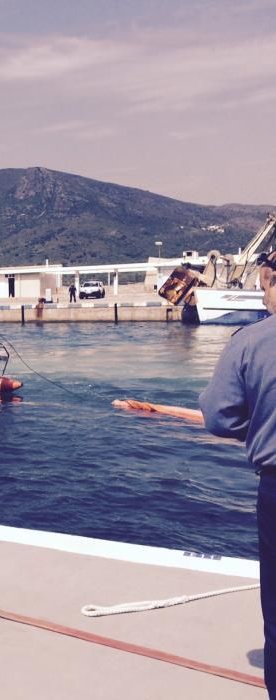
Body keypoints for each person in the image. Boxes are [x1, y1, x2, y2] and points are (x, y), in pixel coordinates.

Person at [199, 252, 276, 697]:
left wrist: (262, 426)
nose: (263, 297)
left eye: (265, 286)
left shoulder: (251, 342)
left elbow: (219, 418)